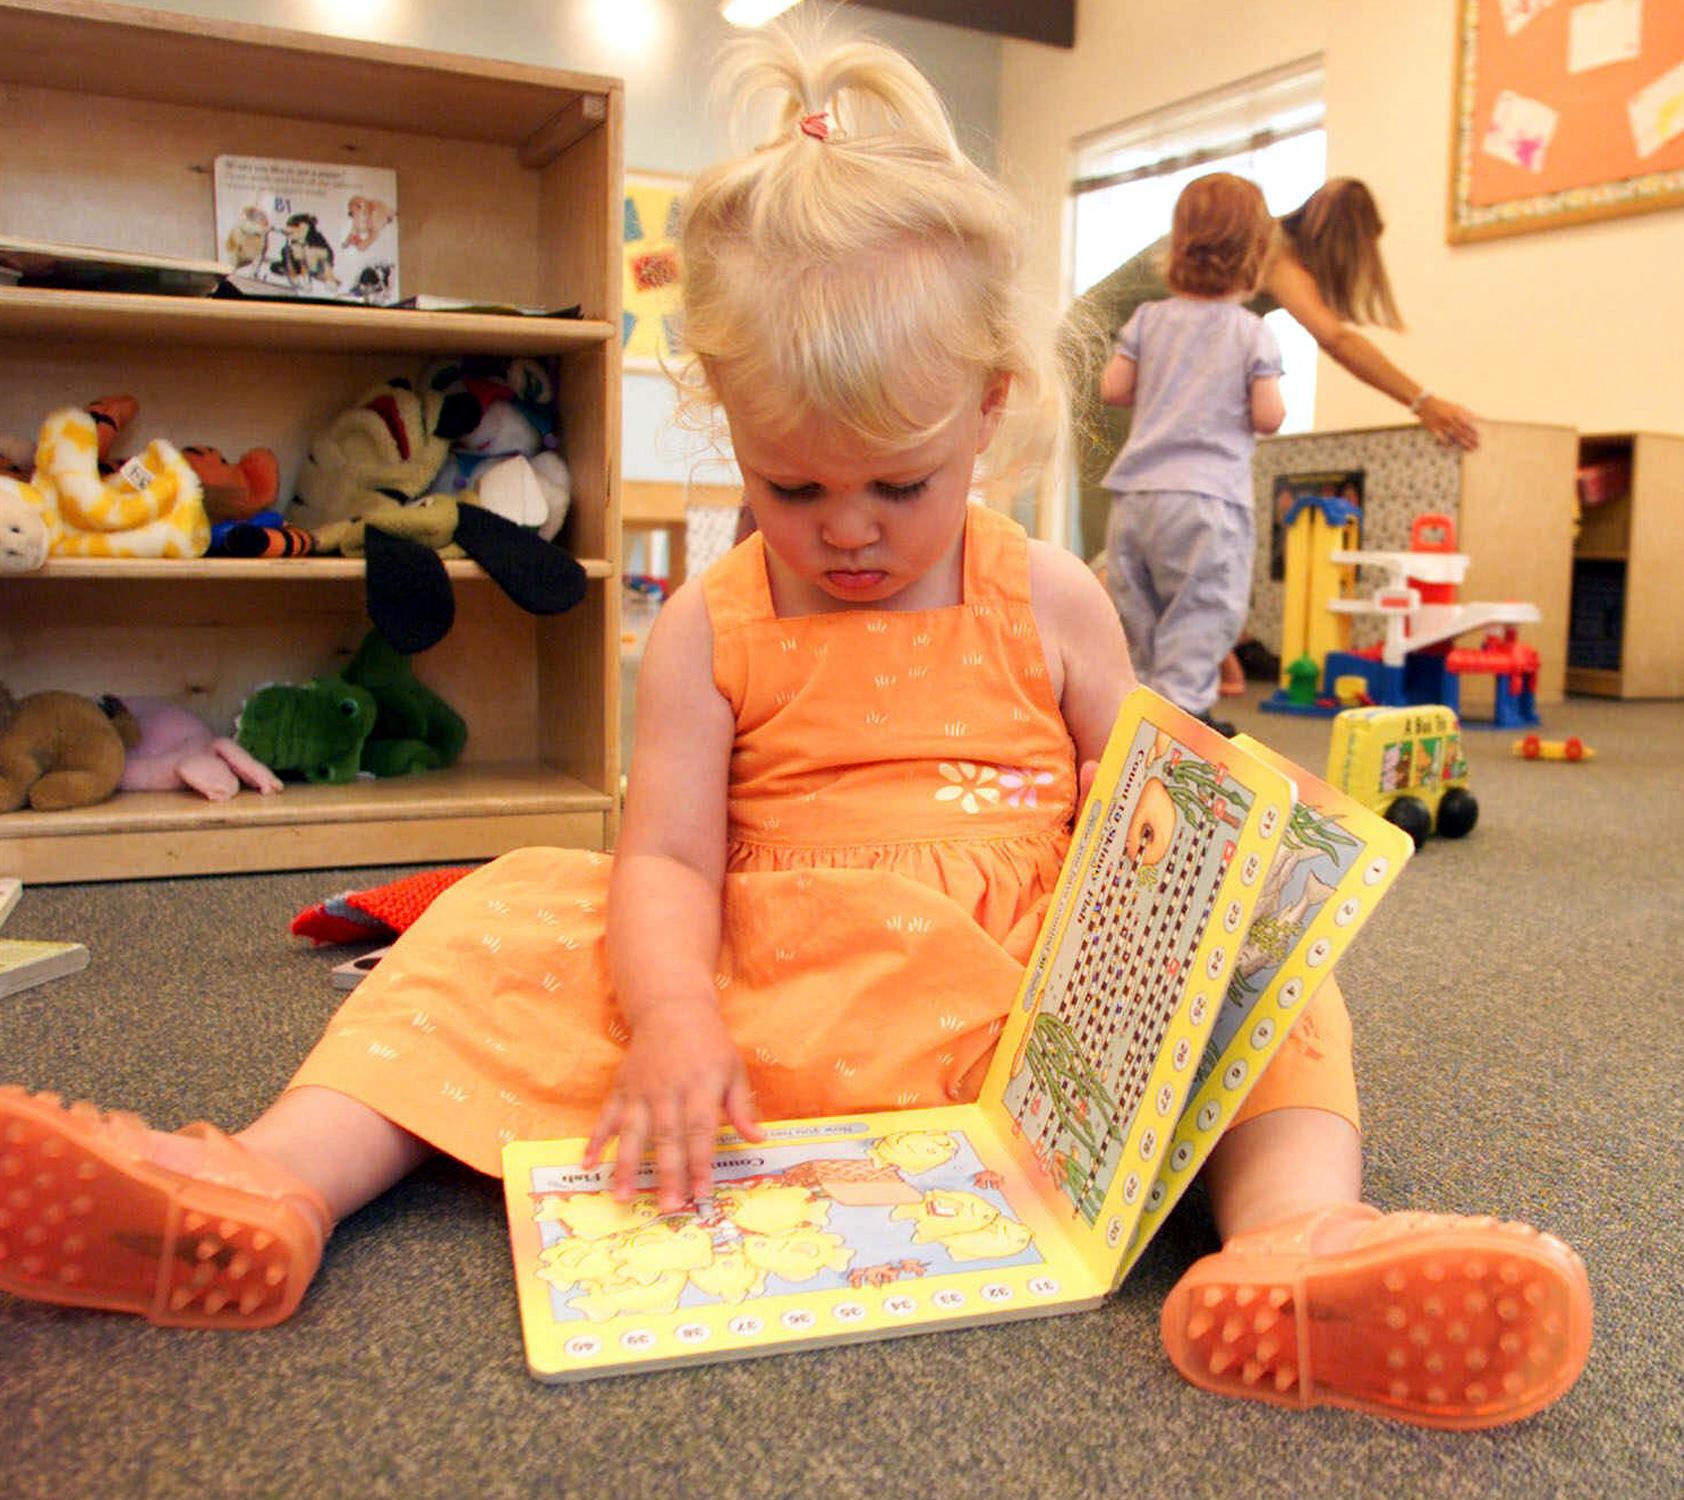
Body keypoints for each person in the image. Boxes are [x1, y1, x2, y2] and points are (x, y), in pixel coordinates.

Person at [0, 18, 1590, 1427]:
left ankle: (1297, 1245)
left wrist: (1208, 849)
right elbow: (671, 861)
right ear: (723, 419)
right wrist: (679, 1020)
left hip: (1018, 1002)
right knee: (508, 912)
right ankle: (268, 1183)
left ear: (988, 411)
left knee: (1271, 979)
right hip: (770, 1003)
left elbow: (1147, 799)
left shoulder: (1050, 594)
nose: (844, 529)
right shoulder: (709, 623)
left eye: (898, 484)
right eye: (791, 483)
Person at [1070, 177, 1479, 561]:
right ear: (1345, 244)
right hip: (1092, 348)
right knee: (1125, 510)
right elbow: (1336, 339)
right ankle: (1115, 616)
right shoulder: (1276, 254)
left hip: (1101, 347)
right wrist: (1422, 401)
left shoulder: (1256, 246)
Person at [1099, 172, 1286, 738]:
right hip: (1208, 501)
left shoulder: (1148, 320)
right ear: (1256, 253)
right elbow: (1268, 416)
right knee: (1202, 610)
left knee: (1139, 616)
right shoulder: (1251, 333)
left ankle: (1136, 716)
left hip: (1137, 497)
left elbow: (1113, 388)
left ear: (1178, 246)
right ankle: (1185, 719)